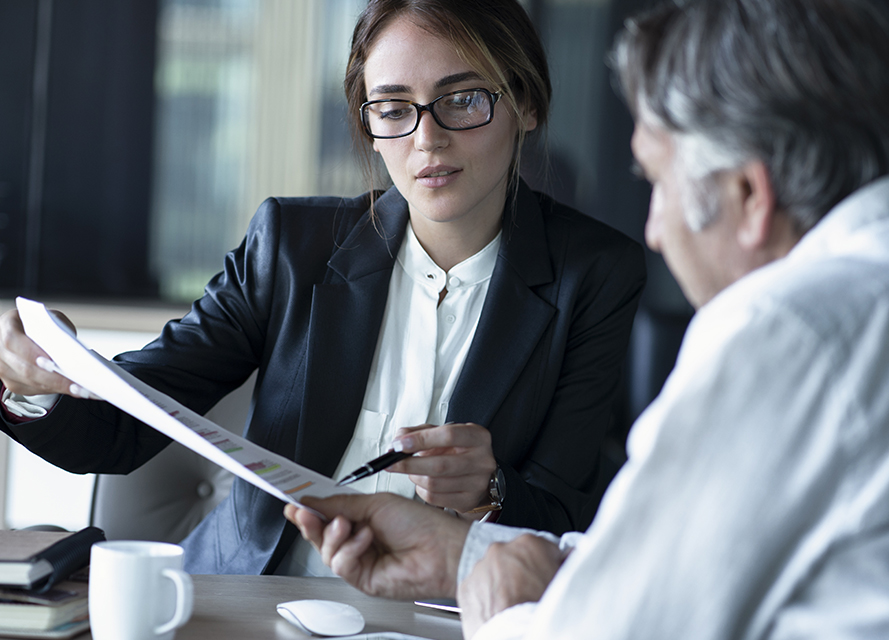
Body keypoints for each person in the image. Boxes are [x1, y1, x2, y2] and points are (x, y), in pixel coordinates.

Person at [282, 0, 889, 637]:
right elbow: (689, 561)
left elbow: (617, 629)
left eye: (657, 183)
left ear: (749, 194)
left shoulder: (788, 327)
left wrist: (497, 613)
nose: (656, 231)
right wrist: (465, 554)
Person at [0, 0, 645, 575]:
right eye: (393, 108)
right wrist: (33, 387)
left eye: (463, 98)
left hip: (446, 618)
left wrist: (491, 490)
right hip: (250, 603)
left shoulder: (594, 273)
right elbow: (124, 426)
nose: (427, 137)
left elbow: (567, 515)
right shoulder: (289, 245)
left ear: (525, 103)